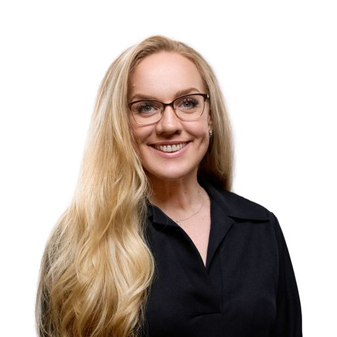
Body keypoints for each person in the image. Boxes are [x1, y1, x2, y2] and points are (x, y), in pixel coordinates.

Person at [36, 36, 302, 337]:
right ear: (120, 123)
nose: (169, 124)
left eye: (188, 103)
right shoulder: (81, 238)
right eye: (145, 107)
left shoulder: (259, 226)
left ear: (210, 116)